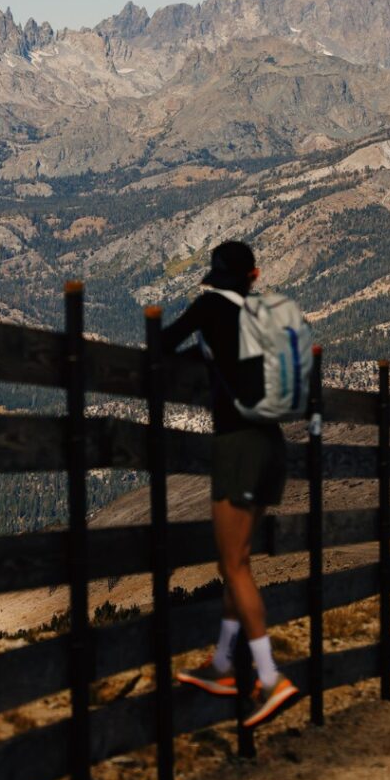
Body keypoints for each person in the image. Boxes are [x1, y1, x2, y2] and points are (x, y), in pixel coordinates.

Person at [161, 240, 299, 728]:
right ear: (254, 275)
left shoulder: (209, 306)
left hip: (237, 446)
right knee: (234, 559)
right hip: (272, 446)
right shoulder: (262, 314)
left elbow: (162, 344)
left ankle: (268, 678)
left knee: (234, 565)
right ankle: (222, 664)